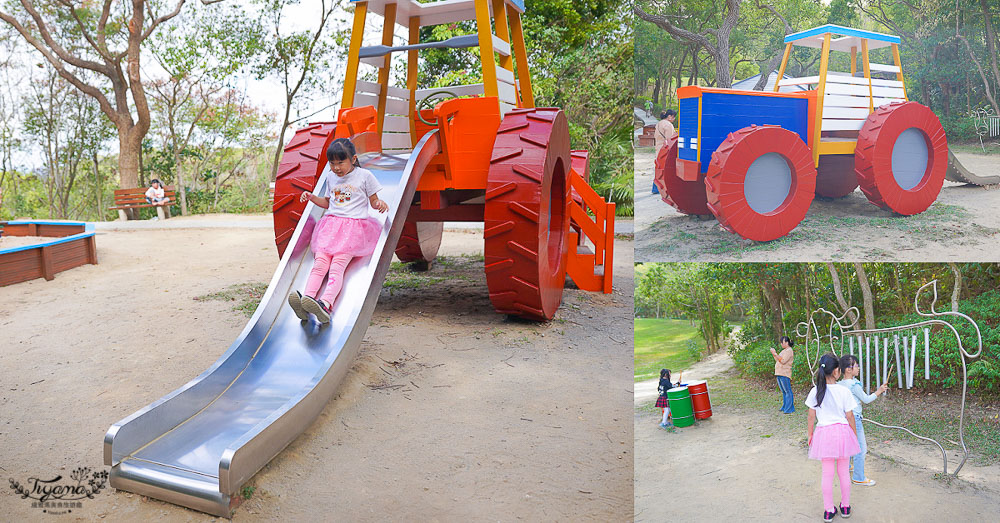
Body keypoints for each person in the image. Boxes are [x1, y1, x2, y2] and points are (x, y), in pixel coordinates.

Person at [287, 138, 388, 324]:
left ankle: (325, 304)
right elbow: (328, 202)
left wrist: (379, 204)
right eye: (332, 163)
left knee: (336, 268)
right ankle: (307, 300)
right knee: (320, 265)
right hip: (330, 227)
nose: (336, 168)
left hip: (353, 230)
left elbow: (373, 201)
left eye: (340, 162)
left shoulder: (365, 176)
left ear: (353, 159)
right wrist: (311, 198)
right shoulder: (330, 176)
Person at [806, 354, 861, 522]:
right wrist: (854, 435)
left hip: (824, 434)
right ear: (837, 371)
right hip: (843, 434)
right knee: (843, 472)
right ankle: (845, 506)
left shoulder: (816, 390)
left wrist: (810, 434)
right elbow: (850, 416)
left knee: (827, 474)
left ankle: (829, 510)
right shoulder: (843, 391)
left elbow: (811, 415)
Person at [839, 354, 888, 487]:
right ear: (848, 369)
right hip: (854, 419)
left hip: (844, 419)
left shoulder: (839, 384)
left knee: (848, 444)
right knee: (860, 448)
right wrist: (879, 391)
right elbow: (866, 399)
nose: (858, 368)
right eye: (856, 365)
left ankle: (848, 466)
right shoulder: (854, 385)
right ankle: (859, 477)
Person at [771, 336, 795, 414]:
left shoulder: (789, 351)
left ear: (787, 343)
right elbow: (777, 359)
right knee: (784, 391)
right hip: (779, 372)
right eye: (781, 342)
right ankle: (785, 406)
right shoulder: (783, 351)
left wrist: (775, 354)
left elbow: (783, 361)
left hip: (785, 373)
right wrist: (774, 354)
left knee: (787, 391)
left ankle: (789, 408)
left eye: (783, 342)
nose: (781, 344)